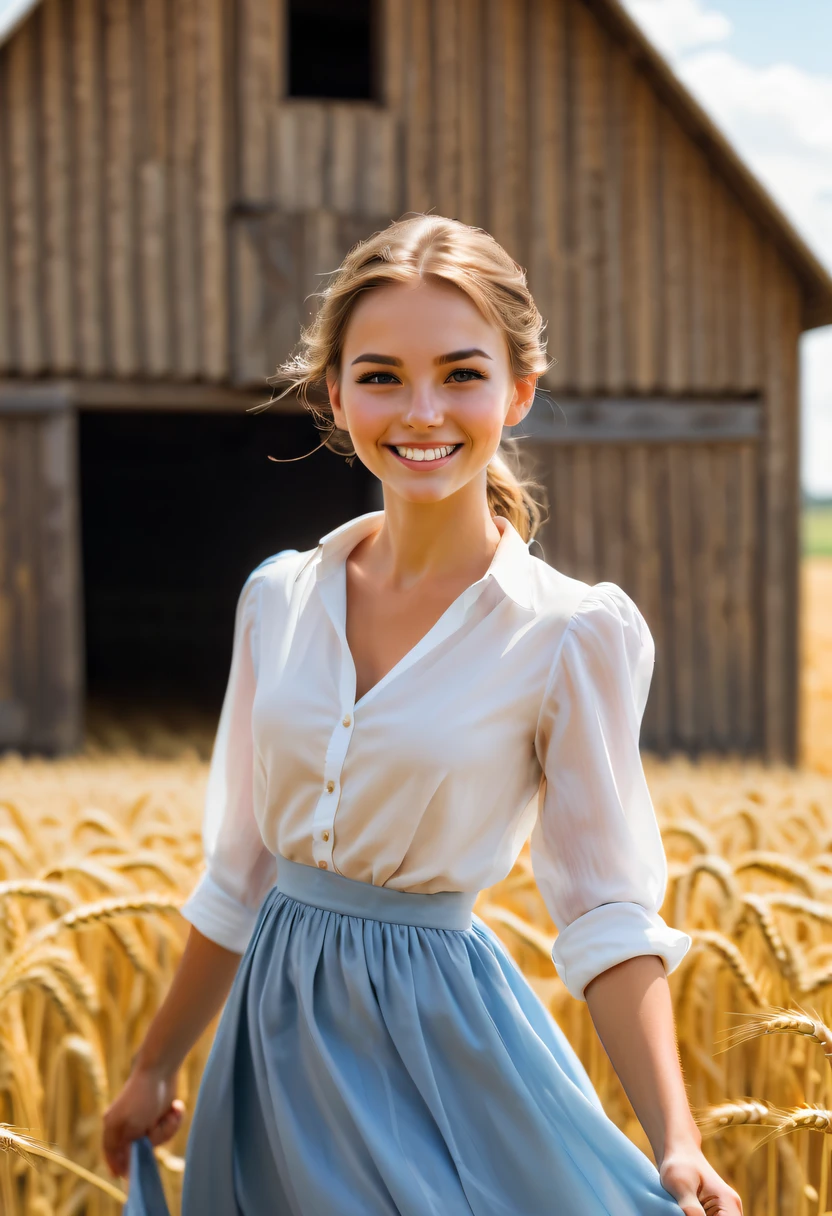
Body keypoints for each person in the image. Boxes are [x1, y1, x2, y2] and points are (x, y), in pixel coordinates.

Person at [103, 214, 743, 1216]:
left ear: (517, 391)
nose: (421, 410)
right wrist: (154, 1066)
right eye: (382, 375)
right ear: (335, 393)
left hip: (436, 1046)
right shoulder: (277, 599)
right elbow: (239, 870)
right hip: (267, 1049)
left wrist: (676, 1137)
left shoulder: (570, 632)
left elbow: (607, 911)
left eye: (460, 372)